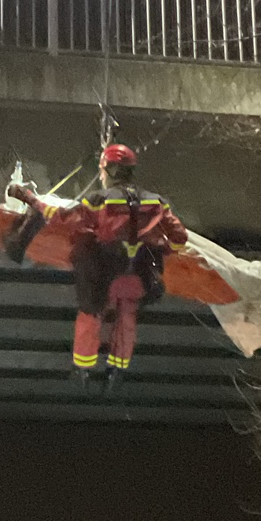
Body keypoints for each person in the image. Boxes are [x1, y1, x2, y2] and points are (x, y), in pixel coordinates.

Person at [66, 143, 187, 386]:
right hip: (138, 277)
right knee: (126, 318)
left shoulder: (97, 200)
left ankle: (83, 370)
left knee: (91, 315)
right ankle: (116, 371)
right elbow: (179, 238)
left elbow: (75, 228)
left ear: (108, 171)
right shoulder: (156, 202)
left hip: (104, 275)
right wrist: (164, 249)